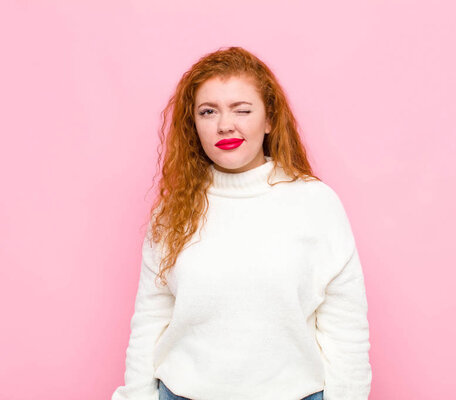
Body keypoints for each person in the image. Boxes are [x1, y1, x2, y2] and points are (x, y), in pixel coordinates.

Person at [111, 46, 372, 400]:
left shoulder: (316, 203)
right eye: (208, 111)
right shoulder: (173, 210)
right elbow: (150, 319)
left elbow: (345, 328)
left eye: (242, 110)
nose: (224, 125)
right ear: (194, 125)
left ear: (268, 120)